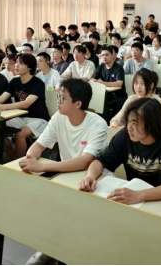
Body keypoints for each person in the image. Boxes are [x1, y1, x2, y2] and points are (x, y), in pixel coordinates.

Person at [21, 79, 109, 266]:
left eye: (63, 98)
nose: (58, 101)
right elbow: (39, 144)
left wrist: (42, 167)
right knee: (48, 206)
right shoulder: (58, 117)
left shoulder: (98, 124)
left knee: (78, 218)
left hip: (94, 179)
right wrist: (30, 157)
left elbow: (85, 161)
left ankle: (73, 253)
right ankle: (49, 248)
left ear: (78, 103)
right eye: (58, 97)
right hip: (66, 175)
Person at [79, 98, 161, 205]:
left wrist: (139, 195)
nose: (129, 128)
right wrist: (90, 177)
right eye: (128, 122)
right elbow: (100, 161)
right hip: (133, 201)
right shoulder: (125, 136)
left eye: (135, 123)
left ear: (152, 123)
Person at [0, 53, 51, 160]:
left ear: (30, 67)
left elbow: (26, 104)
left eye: (21, 63)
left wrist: (3, 107)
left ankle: (17, 163)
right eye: (17, 62)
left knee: (20, 134)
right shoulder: (15, 81)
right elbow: (3, 97)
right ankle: (14, 159)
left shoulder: (38, 83)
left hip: (39, 119)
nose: (16, 65)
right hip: (20, 118)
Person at [92, 46, 128, 116]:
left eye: (106, 55)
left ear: (112, 56)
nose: (104, 57)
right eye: (102, 55)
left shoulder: (118, 68)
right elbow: (94, 78)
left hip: (118, 95)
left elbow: (119, 84)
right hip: (104, 94)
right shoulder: (101, 67)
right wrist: (93, 80)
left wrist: (103, 83)